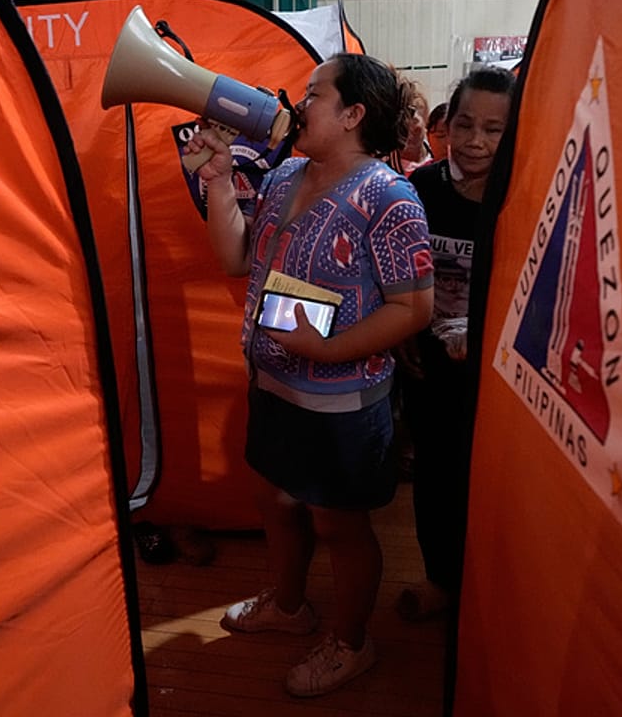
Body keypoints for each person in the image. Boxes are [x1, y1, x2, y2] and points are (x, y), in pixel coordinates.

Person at [183, 53, 435, 698]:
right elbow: (236, 257)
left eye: (313, 94)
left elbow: (415, 307)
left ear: (353, 114)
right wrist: (217, 181)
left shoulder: (389, 197)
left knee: (339, 525)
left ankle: (353, 643)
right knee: (274, 499)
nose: (299, 104)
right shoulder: (288, 173)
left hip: (341, 401)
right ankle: (290, 607)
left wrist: (330, 351)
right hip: (271, 382)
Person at [395, 65, 516, 623]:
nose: (475, 141)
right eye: (465, 123)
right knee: (437, 479)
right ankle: (441, 581)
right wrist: (401, 336)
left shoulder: (522, 197)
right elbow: (390, 276)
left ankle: (494, 595)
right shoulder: (416, 190)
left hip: (499, 375)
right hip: (430, 370)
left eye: (494, 130)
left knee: (494, 484)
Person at [392, 78, 432, 175]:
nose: (408, 131)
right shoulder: (383, 171)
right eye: (400, 125)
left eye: (414, 121)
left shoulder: (440, 158)